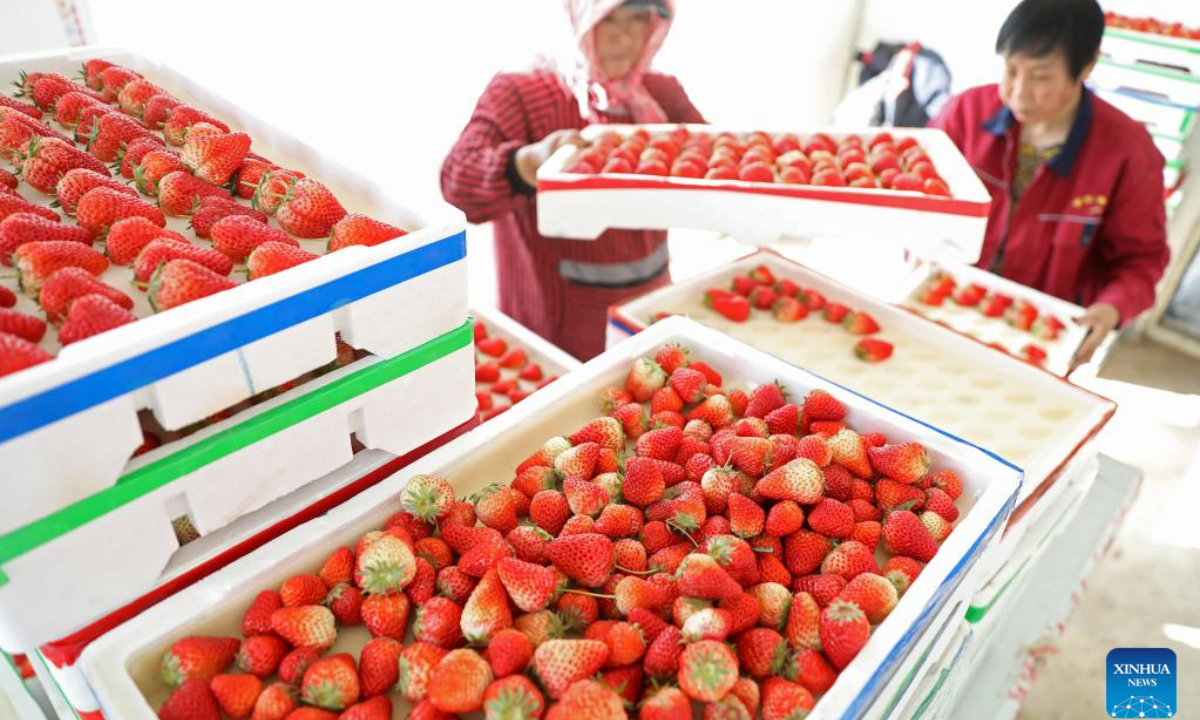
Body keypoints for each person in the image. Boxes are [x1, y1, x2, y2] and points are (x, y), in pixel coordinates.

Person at [441, 0, 704, 360]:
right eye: (608, 18)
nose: (625, 35)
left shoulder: (659, 91)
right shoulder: (522, 90)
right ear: (579, 19)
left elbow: (714, 156)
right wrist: (528, 162)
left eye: (638, 18)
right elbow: (458, 181)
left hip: (650, 299)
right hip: (555, 322)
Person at [931, 0, 1170, 370]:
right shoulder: (965, 112)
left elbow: (1140, 261)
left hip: (1041, 338)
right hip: (939, 303)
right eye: (1010, 70)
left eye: (1040, 77)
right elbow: (919, 194)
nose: (1019, 92)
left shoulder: (1128, 153)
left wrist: (1111, 309)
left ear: (1087, 66)